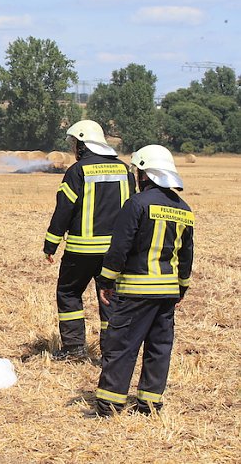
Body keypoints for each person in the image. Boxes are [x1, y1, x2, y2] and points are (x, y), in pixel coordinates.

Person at [94, 144, 194, 416]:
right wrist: (182, 287)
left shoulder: (137, 203)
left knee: (122, 345)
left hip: (136, 291)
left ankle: (109, 404)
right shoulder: (184, 209)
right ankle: (150, 404)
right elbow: (186, 256)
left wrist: (106, 280)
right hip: (168, 292)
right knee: (159, 348)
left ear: (145, 174)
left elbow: (120, 247)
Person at [43, 120, 135, 361]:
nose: (74, 148)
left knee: (69, 293)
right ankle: (112, 351)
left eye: (75, 143)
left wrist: (51, 244)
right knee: (110, 298)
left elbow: (64, 209)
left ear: (83, 144)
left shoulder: (78, 171)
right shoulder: (126, 171)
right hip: (116, 252)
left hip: (81, 250)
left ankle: (74, 349)